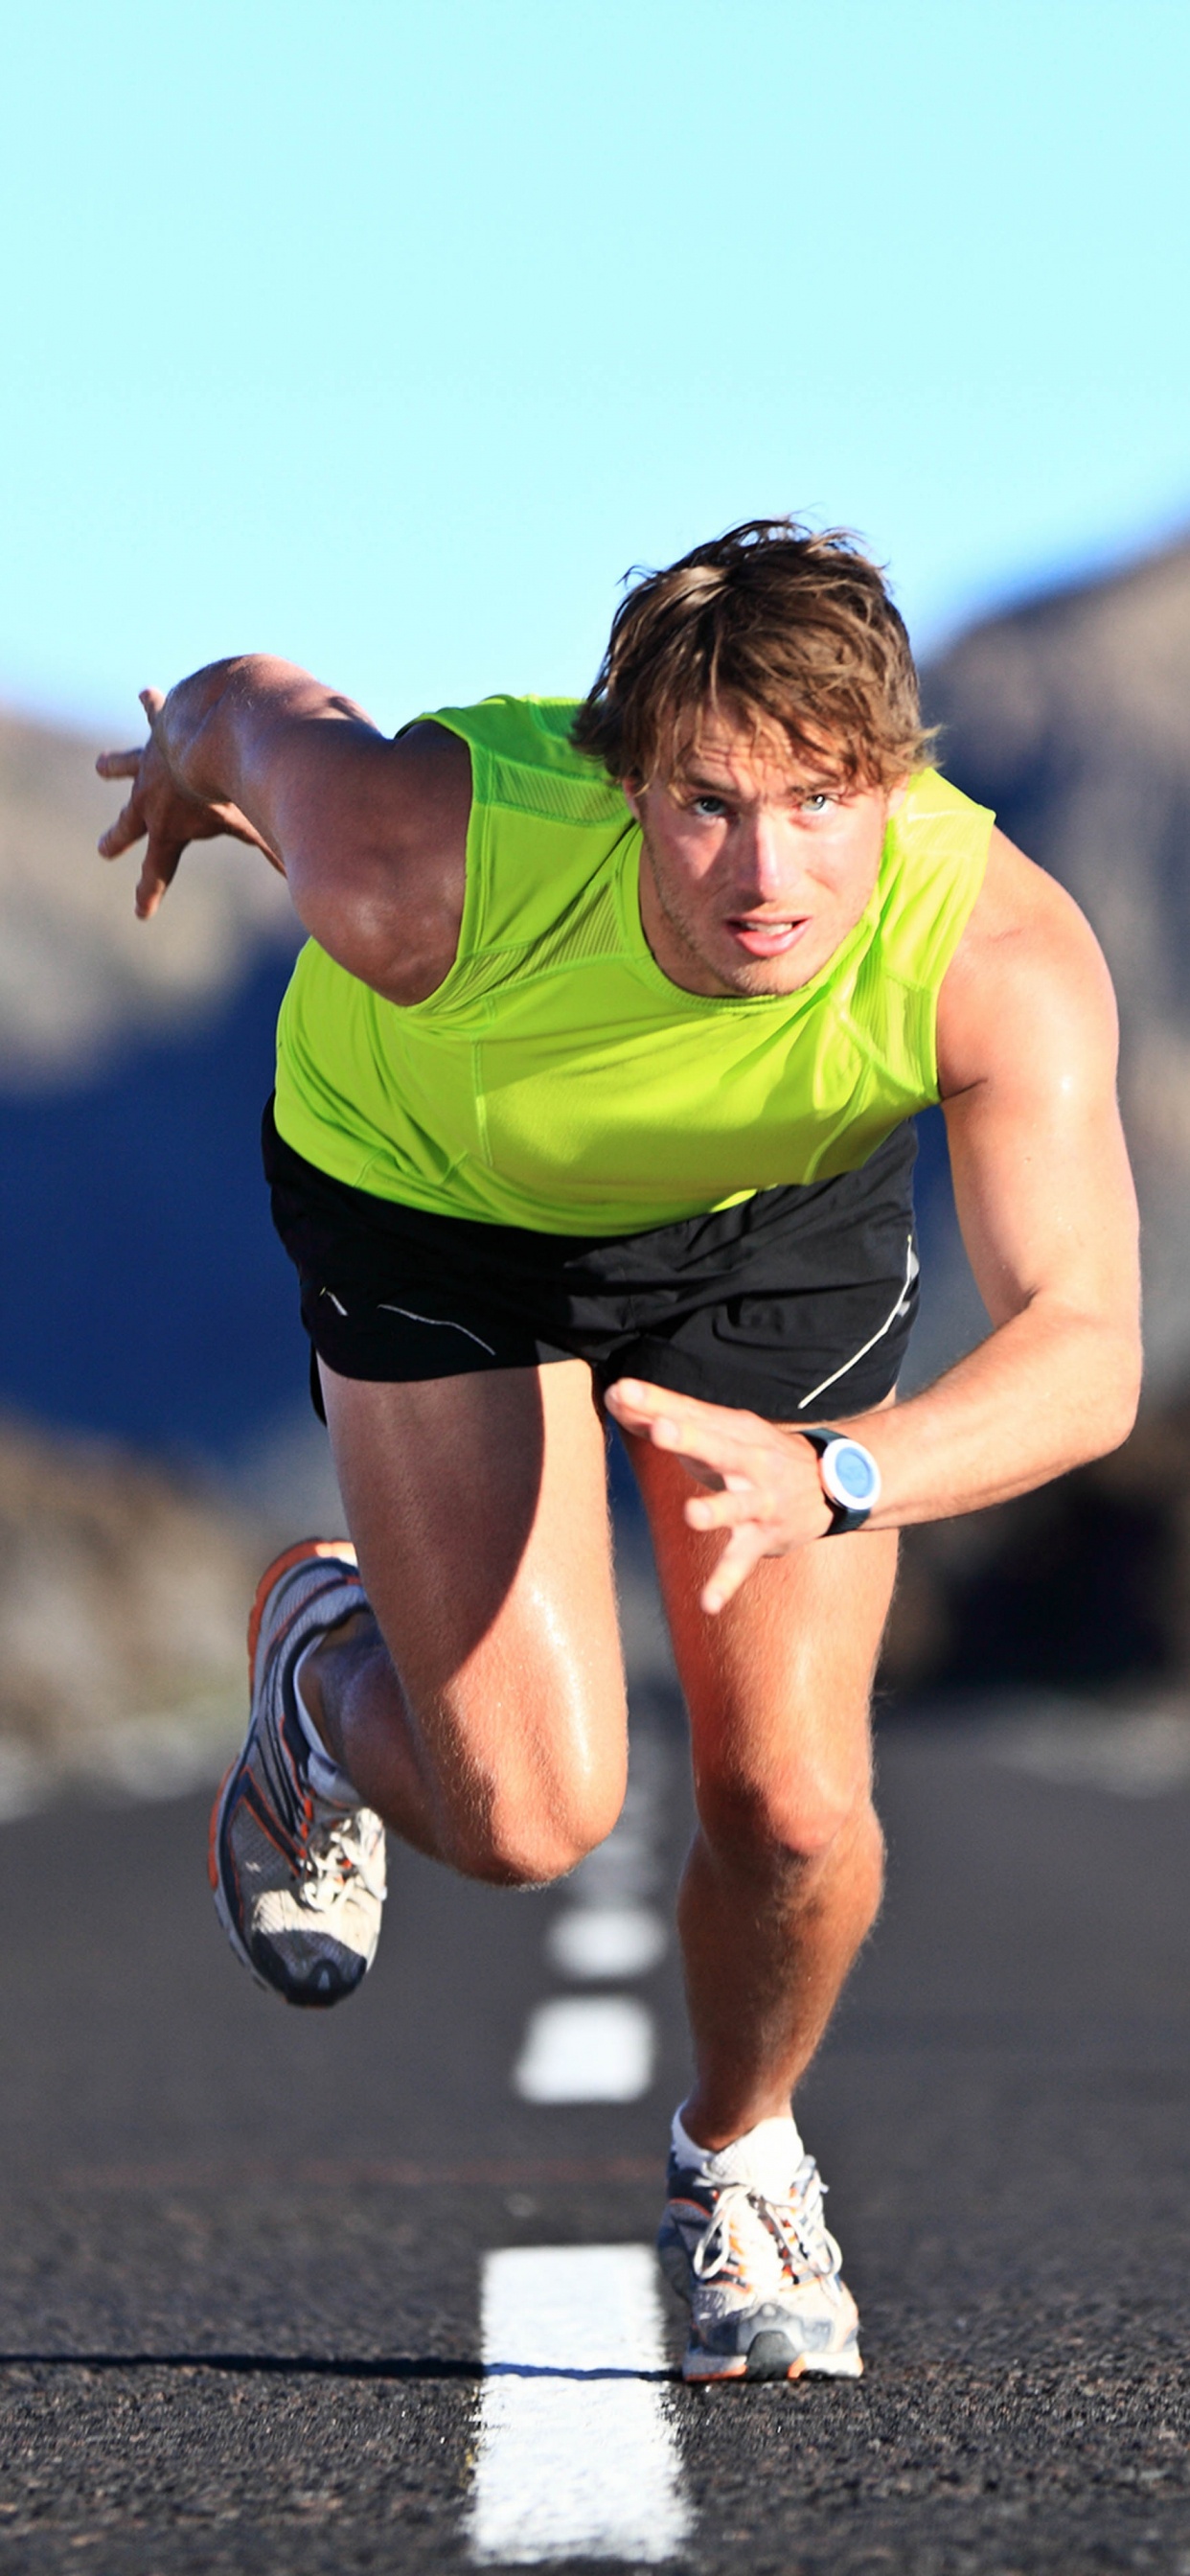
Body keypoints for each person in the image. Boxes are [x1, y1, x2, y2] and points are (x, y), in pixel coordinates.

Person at [97, 521, 1140, 2385]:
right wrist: (186, 763)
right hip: (426, 1196)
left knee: (799, 1807)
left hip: (771, 1227)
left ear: (893, 787)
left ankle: (740, 2158)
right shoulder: (418, 859)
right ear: (622, 781)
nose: (768, 875)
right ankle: (327, 1679)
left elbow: (1088, 1352)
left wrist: (842, 1475)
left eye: (821, 804)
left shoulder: (990, 945)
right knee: (524, 1818)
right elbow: (263, 722)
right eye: (709, 805)